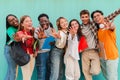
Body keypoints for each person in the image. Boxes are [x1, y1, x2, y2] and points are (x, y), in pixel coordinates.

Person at [91, 10, 119, 80]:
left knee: (112, 78)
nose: (96, 17)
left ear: (102, 16)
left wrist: (110, 27)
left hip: (111, 57)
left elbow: (112, 27)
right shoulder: (98, 30)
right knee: (107, 77)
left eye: (98, 15)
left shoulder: (108, 26)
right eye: (94, 17)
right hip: (102, 57)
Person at [14, 15, 38, 80]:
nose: (30, 22)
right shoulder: (20, 32)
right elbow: (19, 36)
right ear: (22, 24)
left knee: (29, 76)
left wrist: (36, 51)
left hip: (32, 56)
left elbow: (37, 42)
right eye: (27, 21)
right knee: (26, 77)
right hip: (24, 57)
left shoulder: (33, 31)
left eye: (30, 21)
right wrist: (23, 37)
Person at [79, 9, 101, 80]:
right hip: (84, 52)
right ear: (80, 18)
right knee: (86, 73)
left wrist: (118, 12)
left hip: (94, 51)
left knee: (95, 71)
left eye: (86, 16)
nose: (84, 18)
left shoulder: (94, 24)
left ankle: (91, 70)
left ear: (89, 17)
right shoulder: (79, 27)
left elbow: (107, 18)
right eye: (83, 17)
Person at [34, 13, 55, 80]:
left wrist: (53, 41)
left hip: (50, 52)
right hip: (41, 54)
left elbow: (54, 39)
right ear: (39, 22)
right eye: (42, 21)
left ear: (48, 20)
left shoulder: (51, 28)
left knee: (49, 71)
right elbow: (36, 38)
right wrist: (40, 38)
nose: (44, 22)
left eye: (45, 20)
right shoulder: (37, 29)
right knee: (41, 72)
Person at [4, 14, 19, 80]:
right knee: (13, 70)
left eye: (14, 18)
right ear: (9, 23)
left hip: (14, 49)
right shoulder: (10, 29)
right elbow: (15, 38)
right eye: (10, 21)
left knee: (10, 70)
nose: (13, 21)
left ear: (16, 18)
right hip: (9, 49)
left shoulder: (19, 27)